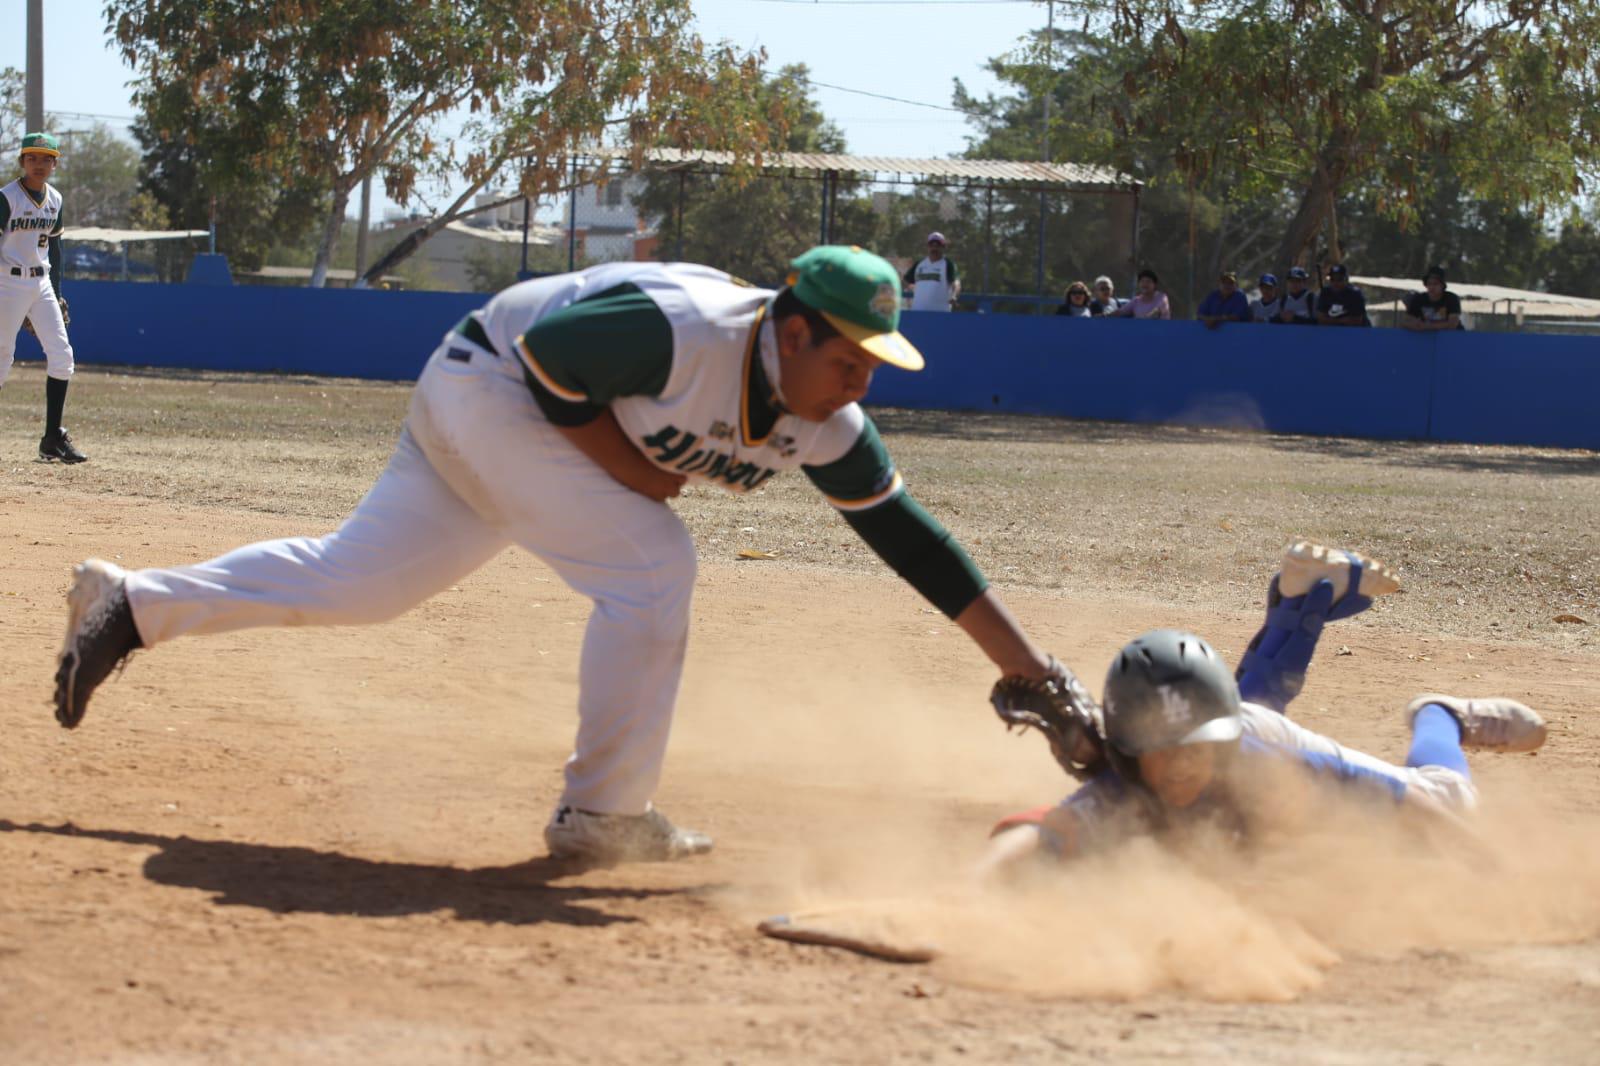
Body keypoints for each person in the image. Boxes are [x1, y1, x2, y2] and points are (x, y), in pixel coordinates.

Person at [51, 245, 1074, 866]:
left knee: (358, 582)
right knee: (652, 565)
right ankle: (603, 814)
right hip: (489, 385)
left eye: (873, 365)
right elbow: (551, 363)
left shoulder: (829, 423)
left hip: (489, 411)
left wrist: (1029, 672)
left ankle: (130, 604)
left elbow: (913, 543)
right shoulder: (686, 331)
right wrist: (636, 478)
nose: (860, 383)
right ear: (792, 333)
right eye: (848, 358)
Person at [981, 542, 1547, 873]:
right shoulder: (1130, 783)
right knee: (1250, 709)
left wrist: (1496, 872)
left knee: (1451, 797)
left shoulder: (1265, 761)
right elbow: (1038, 833)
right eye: (1162, 750)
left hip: (1265, 745)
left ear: (1223, 741)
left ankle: (1441, 716)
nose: (1179, 765)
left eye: (1195, 748)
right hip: (1234, 724)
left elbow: (1407, 802)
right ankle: (1299, 607)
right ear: (1130, 754)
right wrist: (970, 888)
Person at [0, 133, 85, 463]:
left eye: (46, 158)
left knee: (62, 356)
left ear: (55, 164)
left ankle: (52, 439)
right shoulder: (6, 198)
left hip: (42, 283)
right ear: (22, 161)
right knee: (2, 357)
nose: (39, 164)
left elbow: (56, 249)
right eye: (32, 157)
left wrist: (58, 294)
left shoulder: (56, 199)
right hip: (8, 282)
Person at [902, 232, 960, 311]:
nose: (934, 248)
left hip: (940, 313)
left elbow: (956, 283)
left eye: (938, 245)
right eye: (931, 245)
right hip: (918, 311)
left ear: (943, 247)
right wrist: (910, 288)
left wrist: (954, 295)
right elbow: (905, 281)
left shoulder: (948, 264)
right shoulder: (919, 264)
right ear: (927, 246)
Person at [1402, 265, 1464, 332]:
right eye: (1429, 284)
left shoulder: (1452, 298)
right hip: (1425, 337)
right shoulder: (1419, 299)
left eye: (1435, 284)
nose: (1432, 287)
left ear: (1442, 285)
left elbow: (1453, 324)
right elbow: (1405, 322)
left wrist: (1427, 327)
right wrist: (1415, 326)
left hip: (1453, 337)